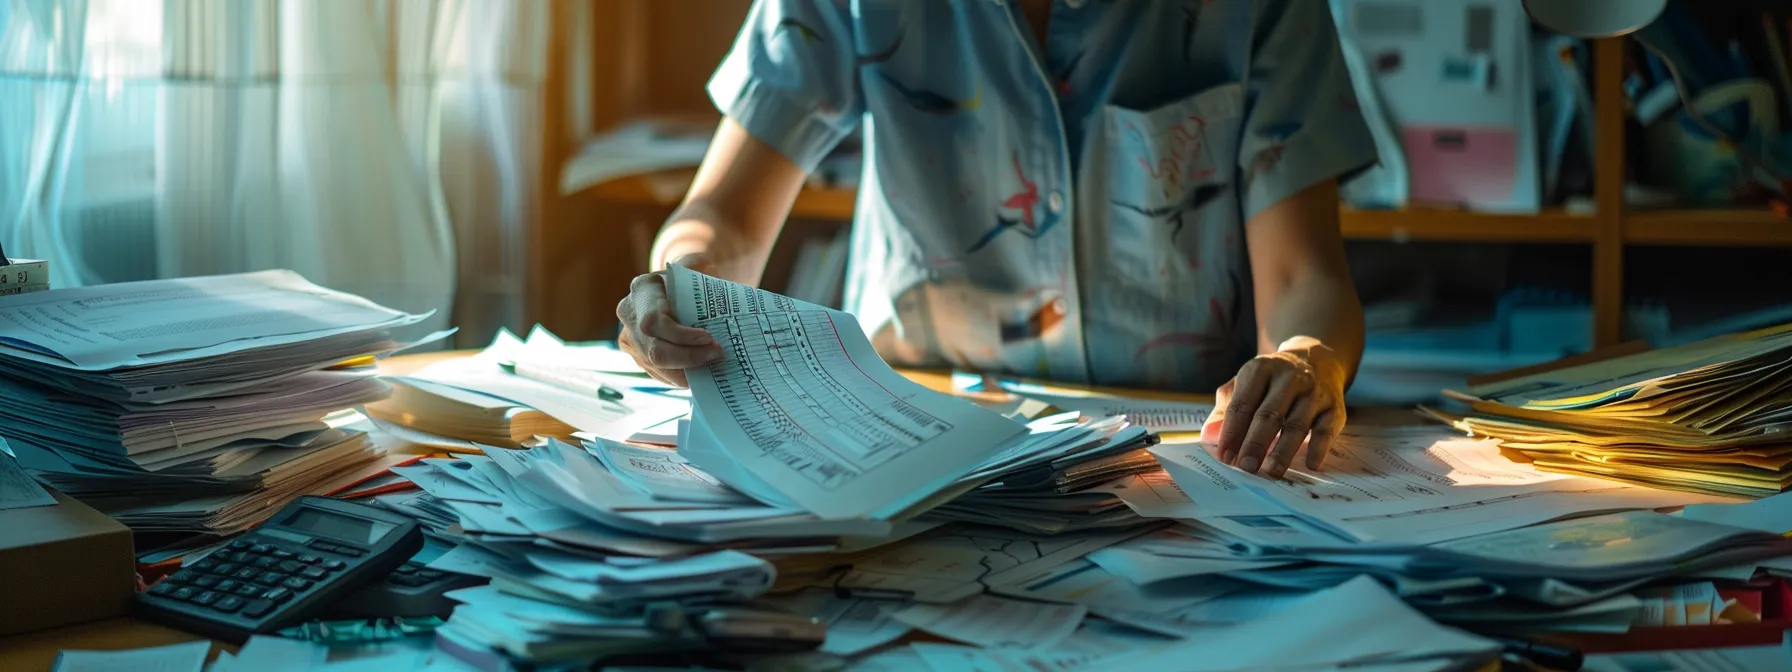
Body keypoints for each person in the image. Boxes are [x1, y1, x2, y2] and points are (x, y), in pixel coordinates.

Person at [615, 0, 1376, 480]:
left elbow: (1305, 277)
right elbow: (722, 216)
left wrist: (1306, 359)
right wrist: (680, 283)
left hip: (1181, 458)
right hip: (907, 442)